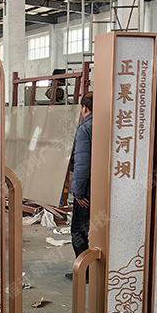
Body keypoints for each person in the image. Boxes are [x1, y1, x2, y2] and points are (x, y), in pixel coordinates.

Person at [66, 92, 93, 281]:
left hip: (88, 192)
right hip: (104, 190)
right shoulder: (110, 124)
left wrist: (78, 193)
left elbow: (82, 164)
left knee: (78, 231)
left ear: (85, 108)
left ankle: (85, 273)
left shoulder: (85, 128)